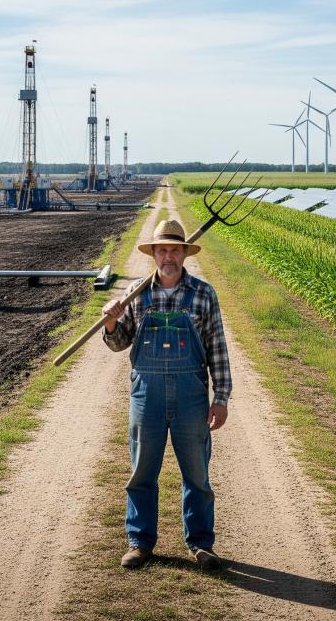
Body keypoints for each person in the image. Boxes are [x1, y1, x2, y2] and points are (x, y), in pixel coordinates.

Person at [102, 219, 232, 570]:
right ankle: (140, 542)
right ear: (154, 254)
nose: (169, 255)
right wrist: (111, 322)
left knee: (197, 473)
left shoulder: (204, 293)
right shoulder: (136, 293)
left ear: (185, 253)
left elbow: (217, 346)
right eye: (163, 249)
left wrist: (221, 397)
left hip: (191, 395)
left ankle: (202, 544)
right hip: (147, 394)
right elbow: (119, 343)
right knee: (142, 471)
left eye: (175, 249)